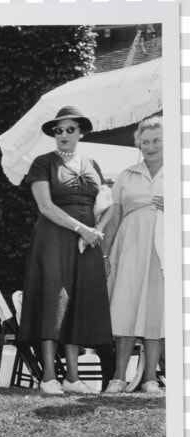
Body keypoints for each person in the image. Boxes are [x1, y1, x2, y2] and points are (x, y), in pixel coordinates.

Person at [16, 107, 113, 395]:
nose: (63, 135)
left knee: (79, 304)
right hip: (54, 238)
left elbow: (108, 205)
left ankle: (73, 377)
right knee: (54, 300)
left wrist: (95, 233)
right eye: (58, 130)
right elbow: (45, 206)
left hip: (87, 244)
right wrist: (81, 229)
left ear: (81, 132)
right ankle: (48, 377)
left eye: (70, 129)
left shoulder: (93, 163)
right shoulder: (43, 163)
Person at [102, 115, 164, 394]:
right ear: (138, 143)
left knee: (156, 310)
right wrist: (105, 254)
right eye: (145, 141)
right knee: (124, 307)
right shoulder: (127, 175)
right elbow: (114, 217)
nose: (150, 146)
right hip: (128, 247)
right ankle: (118, 376)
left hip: (163, 249)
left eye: (157, 141)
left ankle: (150, 377)